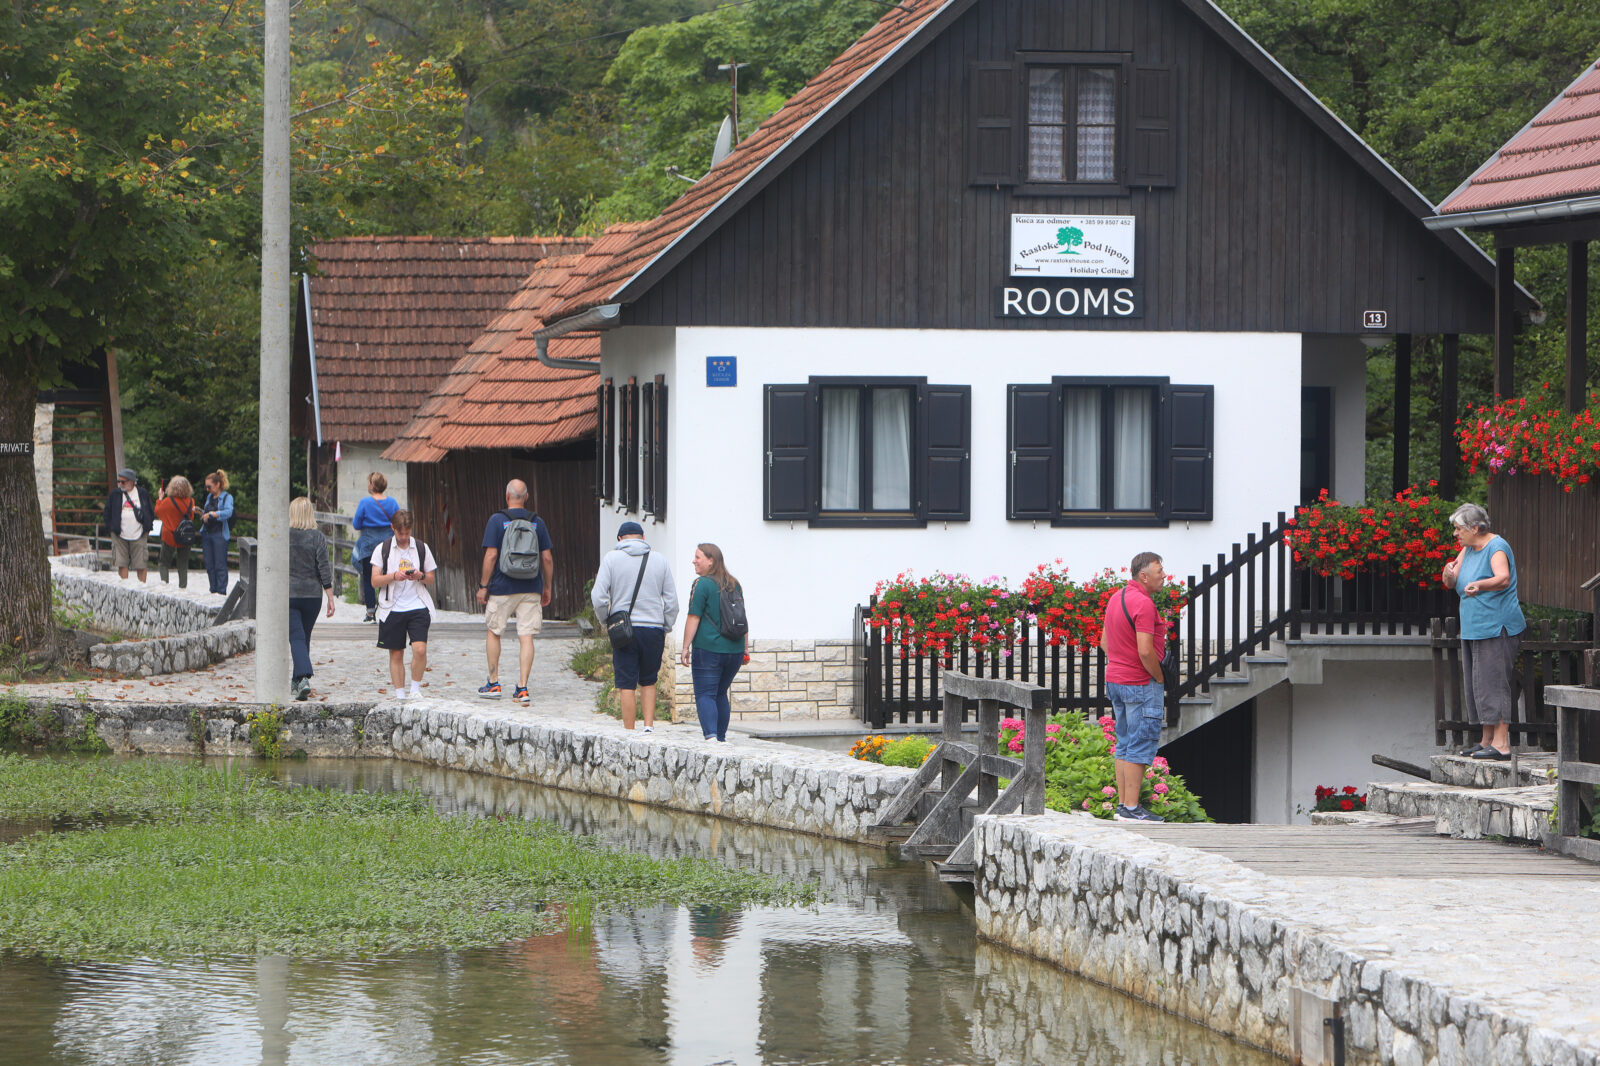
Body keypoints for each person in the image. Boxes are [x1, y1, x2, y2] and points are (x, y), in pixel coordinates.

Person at [1442, 503, 1526, 761]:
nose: (1455, 534)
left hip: (1495, 627)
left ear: (1476, 528)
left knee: (1494, 683)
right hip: (1473, 627)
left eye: (1459, 529)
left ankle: (1501, 745)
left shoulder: (1496, 546)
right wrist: (1448, 574)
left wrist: (1479, 584)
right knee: (1478, 684)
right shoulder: (1467, 549)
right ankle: (1486, 740)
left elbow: (1503, 578)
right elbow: (1453, 581)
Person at [1099, 551, 1171, 823]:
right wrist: (1159, 677)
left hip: (1115, 679)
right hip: (1140, 683)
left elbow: (1105, 642)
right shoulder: (1144, 604)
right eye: (1159, 570)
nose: (1164, 575)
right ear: (1144, 575)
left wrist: (1121, 662)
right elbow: (1145, 650)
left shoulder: (1116, 598)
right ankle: (1131, 808)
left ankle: (1123, 805)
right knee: (1140, 744)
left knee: (1125, 743)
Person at [591, 521, 678, 732]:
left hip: (624, 629)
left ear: (620, 539)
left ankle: (629, 731)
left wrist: (606, 620)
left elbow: (598, 597)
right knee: (649, 680)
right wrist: (665, 624)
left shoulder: (611, 559)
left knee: (626, 683)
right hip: (653, 628)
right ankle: (648, 727)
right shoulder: (660, 561)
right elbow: (672, 601)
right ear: (643, 537)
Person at [476, 479, 553, 706]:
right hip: (530, 587)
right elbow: (547, 558)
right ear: (527, 497)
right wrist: (546, 587)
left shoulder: (497, 520)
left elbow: (491, 556)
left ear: (506, 496)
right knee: (526, 636)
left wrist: (483, 586)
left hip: (502, 587)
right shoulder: (537, 522)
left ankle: (493, 682)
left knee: (494, 631)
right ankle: (522, 687)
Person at [679, 543, 747, 742]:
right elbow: (743, 618)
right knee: (720, 693)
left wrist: (685, 647)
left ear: (711, 561)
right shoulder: (734, 583)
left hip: (708, 649)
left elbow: (694, 617)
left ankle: (711, 739)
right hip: (734, 650)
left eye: (698, 557)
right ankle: (721, 739)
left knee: (706, 694)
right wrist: (745, 648)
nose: (694, 560)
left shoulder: (702, 584)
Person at [372, 509, 437, 701]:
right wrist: (393, 576)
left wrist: (420, 576)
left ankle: (415, 689)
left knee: (420, 649)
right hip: (392, 607)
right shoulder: (382, 549)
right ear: (393, 528)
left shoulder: (421, 548)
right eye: (400, 533)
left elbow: (431, 578)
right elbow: (374, 581)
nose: (404, 537)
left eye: (407, 533)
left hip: (417, 604)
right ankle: (400, 693)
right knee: (396, 653)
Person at [287, 496, 336, 700]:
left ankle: (303, 675)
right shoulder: (318, 537)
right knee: (303, 637)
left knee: (296, 637)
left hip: (289, 595)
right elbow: (323, 568)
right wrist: (330, 596)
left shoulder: (284, 536)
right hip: (312, 597)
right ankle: (297, 684)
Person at [351, 472, 399, 624]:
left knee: (369, 578)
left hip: (369, 545)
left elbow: (356, 524)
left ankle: (370, 612)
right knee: (389, 576)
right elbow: (398, 521)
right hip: (388, 545)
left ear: (372, 485)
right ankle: (389, 608)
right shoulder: (392, 503)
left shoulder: (365, 503)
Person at [103, 467, 154, 583]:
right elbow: (107, 512)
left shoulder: (142, 493)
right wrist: (111, 529)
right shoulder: (115, 494)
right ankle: (124, 588)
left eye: (123, 482)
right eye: (119, 481)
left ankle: (141, 589)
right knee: (122, 563)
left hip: (139, 533)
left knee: (141, 564)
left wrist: (147, 529)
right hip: (119, 534)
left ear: (131, 482)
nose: (120, 484)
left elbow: (150, 512)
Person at [152, 475, 198, 588]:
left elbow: (157, 512)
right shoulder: (191, 501)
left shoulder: (168, 501)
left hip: (170, 536)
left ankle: (165, 584)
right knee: (183, 564)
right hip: (185, 535)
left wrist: (160, 498)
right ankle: (183, 587)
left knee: (164, 563)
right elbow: (191, 517)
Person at [199, 469, 235, 595]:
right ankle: (212, 589)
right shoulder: (209, 497)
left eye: (209, 487)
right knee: (209, 564)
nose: (207, 489)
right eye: (206, 487)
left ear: (217, 484)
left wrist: (214, 514)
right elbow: (206, 511)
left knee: (220, 564)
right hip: (207, 533)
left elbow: (228, 512)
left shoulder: (227, 497)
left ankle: (221, 591)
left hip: (219, 534)